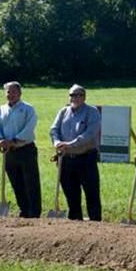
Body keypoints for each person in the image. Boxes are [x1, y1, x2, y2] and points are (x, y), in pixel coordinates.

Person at [50, 84, 102, 221]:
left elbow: (89, 134)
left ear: (84, 97)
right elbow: (54, 130)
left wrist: (69, 144)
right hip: (66, 160)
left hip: (86, 159)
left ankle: (96, 224)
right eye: (73, 95)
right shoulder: (63, 111)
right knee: (71, 195)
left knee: (92, 195)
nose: (76, 97)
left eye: (79, 95)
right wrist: (57, 143)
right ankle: (75, 225)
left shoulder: (93, 112)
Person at [0, 81, 41, 218]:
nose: (11, 94)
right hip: (8, 152)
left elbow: (29, 128)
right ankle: (24, 210)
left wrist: (14, 141)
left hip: (25, 150)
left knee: (31, 183)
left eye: (14, 91)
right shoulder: (0, 110)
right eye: (8, 92)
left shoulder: (28, 109)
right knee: (16, 183)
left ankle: (34, 213)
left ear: (20, 93)